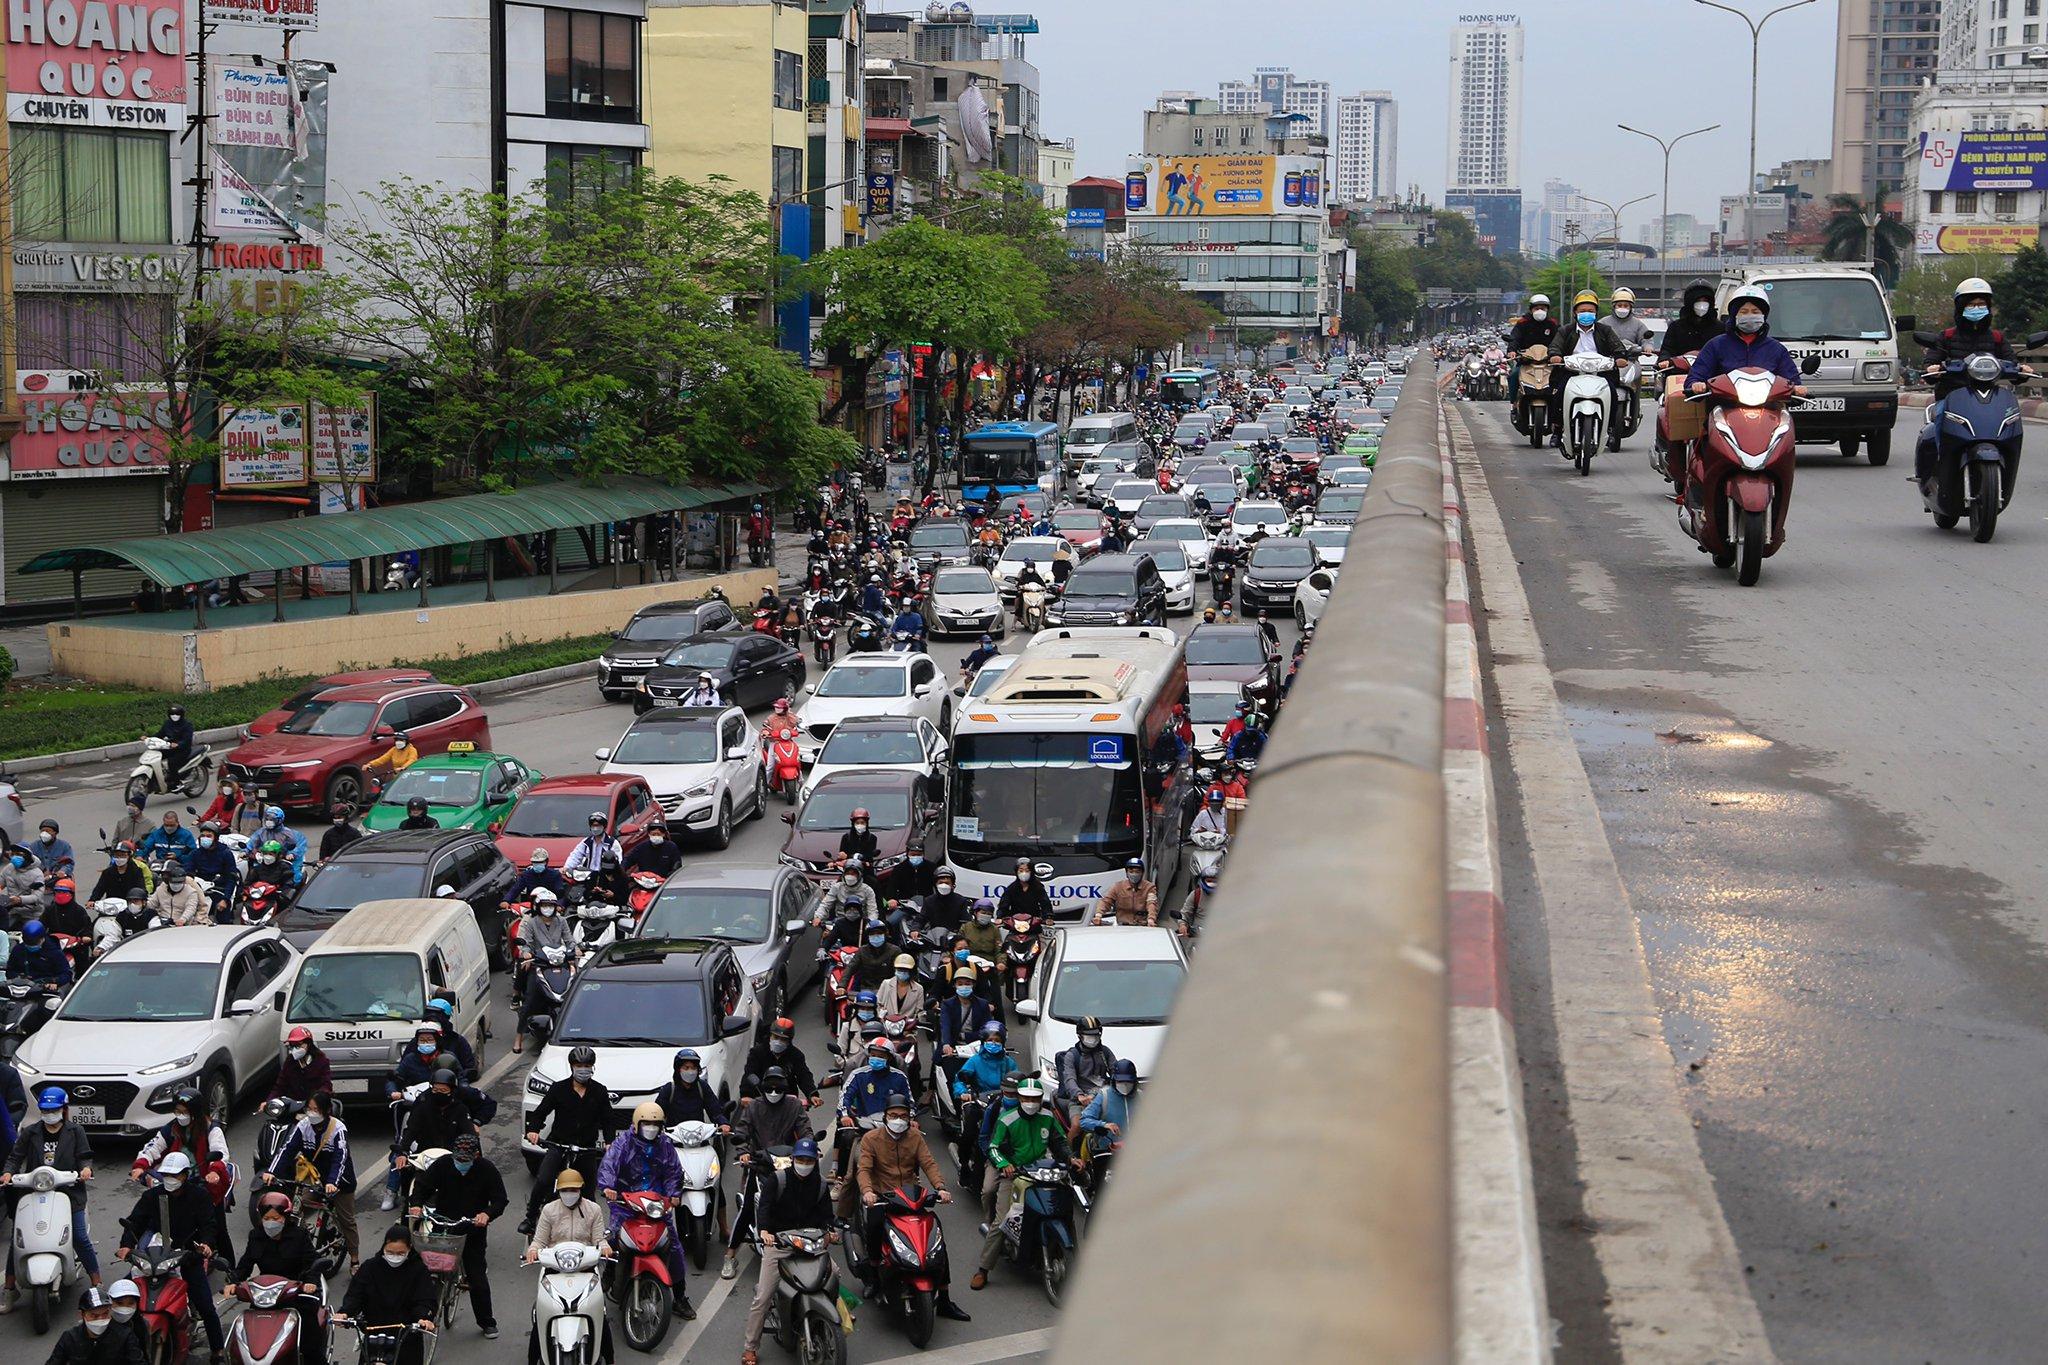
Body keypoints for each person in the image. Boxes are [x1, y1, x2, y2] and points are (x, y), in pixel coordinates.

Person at [851, 1097, 970, 1321]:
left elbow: (929, 1163)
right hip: (883, 1199)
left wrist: (941, 1188)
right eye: (894, 1116)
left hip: (911, 1198)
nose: (898, 1120)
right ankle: (875, 1278)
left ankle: (944, 1299)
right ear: (885, 1116)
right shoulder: (871, 1139)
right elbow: (864, 1169)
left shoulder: (915, 1137)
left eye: (903, 1116)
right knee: (875, 1230)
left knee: (936, 1241)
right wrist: (868, 1191)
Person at [1918, 275, 2034, 485]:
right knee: (1941, 416)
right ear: (1961, 307)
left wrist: (2022, 370)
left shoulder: (1997, 338)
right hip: (1953, 396)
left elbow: (2012, 363)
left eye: (1981, 304)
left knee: (2011, 421)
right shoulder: (1947, 337)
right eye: (1971, 304)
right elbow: (1931, 361)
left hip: (1989, 398)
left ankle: (2006, 460)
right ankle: (1940, 463)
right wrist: (1932, 368)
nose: (1976, 308)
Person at [970, 1079, 1079, 1290]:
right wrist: (1004, 1164)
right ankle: (983, 1269)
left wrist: (1071, 1158)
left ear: (1040, 1100)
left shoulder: (1047, 1117)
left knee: (1066, 1210)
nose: (1030, 1102)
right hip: (1016, 1174)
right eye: (1026, 1098)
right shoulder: (1007, 1119)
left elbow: (1060, 1143)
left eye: (1035, 1098)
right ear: (1020, 1099)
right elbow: (994, 1147)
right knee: (1003, 1220)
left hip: (1044, 1170)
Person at [115, 1151, 225, 1357]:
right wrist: (126, 1246)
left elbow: (209, 1225)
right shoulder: (152, 1196)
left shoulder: (199, 1196)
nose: (170, 1180)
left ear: (185, 1175)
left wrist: (206, 1245)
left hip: (187, 1258)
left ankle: (218, 1350)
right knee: (122, 1295)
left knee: (206, 1306)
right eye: (166, 1175)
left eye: (175, 1176)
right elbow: (135, 1222)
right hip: (156, 1257)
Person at [738, 1136, 837, 1363]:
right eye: (800, 1159)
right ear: (793, 1160)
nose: (805, 1163)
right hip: (780, 1245)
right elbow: (764, 1207)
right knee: (762, 1297)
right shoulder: (777, 1180)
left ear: (816, 1161)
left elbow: (826, 1216)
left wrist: (830, 1232)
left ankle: (837, 1316)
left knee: (835, 1275)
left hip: (810, 1246)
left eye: (809, 1160)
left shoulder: (821, 1185)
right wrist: (765, 1232)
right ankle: (750, 1347)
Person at [2, 1086, 98, 1308]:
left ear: (64, 1110)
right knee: (18, 1241)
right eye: (45, 1110)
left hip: (69, 1192)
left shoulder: (76, 1132)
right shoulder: (30, 1132)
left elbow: (85, 1157)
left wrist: (85, 1170)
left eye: (53, 1110)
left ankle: (97, 1281)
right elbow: (15, 1157)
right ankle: (9, 1289)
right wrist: (8, 1172)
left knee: (80, 1237)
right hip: (34, 1192)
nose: (49, 1114)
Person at [597, 1102, 694, 1320]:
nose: (651, 1127)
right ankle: (611, 1271)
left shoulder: (665, 1145)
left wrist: (674, 1194)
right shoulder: (623, 1143)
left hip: (656, 1207)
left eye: (655, 1124)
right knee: (612, 1239)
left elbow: (673, 1172)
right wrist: (608, 1187)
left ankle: (679, 1297)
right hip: (626, 1205)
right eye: (647, 1123)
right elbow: (609, 1165)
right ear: (637, 1124)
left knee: (675, 1248)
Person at [406, 1133, 505, 1339]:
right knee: (423, 1269)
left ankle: (487, 1321)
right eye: (457, 1159)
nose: (460, 1163)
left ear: (476, 1155)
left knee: (477, 1277)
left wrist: (486, 1214)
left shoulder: (487, 1170)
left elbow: (500, 1200)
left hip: (472, 1231)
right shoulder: (443, 1165)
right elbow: (423, 1185)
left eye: (465, 1160)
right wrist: (416, 1205)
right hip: (444, 1225)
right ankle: (420, 1315)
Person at [721, 1066, 809, 1280]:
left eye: (778, 1088)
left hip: (788, 1164)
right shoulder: (754, 1107)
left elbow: (805, 1128)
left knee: (804, 1203)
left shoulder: (794, 1105)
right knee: (748, 1208)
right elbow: (742, 1130)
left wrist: (809, 1146)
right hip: (760, 1164)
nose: (773, 1092)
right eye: (769, 1088)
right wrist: (743, 1152)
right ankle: (730, 1255)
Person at [259, 1090, 358, 1271]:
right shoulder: (303, 1125)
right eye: (309, 1109)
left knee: (347, 1220)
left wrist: (332, 1182)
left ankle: (354, 1259)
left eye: (316, 1110)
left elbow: (340, 1158)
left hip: (340, 1180)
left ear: (326, 1111)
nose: (311, 1113)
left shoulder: (338, 1129)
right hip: (317, 1178)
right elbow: (287, 1149)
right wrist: (272, 1172)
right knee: (300, 1204)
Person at [519, 1046, 612, 1236]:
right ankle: (530, 1217)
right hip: (559, 1145)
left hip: (586, 1148)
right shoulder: (559, 1089)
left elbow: (608, 1119)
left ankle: (593, 1231)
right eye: (579, 1065)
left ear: (592, 1067)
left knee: (588, 1192)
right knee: (544, 1180)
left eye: (587, 1065)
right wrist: (533, 1130)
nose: (583, 1069)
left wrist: (610, 1141)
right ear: (571, 1066)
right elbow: (540, 1112)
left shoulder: (599, 1091)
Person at [228, 1188, 325, 1365]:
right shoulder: (256, 1236)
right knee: (244, 1336)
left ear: (285, 1218)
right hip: (265, 1296)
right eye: (266, 1219)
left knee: (310, 1340)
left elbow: (312, 1262)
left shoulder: (299, 1236)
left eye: (275, 1218)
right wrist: (233, 1282)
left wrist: (310, 1282)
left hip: (296, 1295)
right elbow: (246, 1263)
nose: (270, 1223)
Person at [334, 1225, 437, 1365]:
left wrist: (424, 1318)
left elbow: (425, 1299)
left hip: (406, 1336)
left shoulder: (418, 1270)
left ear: (409, 1249)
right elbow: (355, 1294)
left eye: (400, 1253)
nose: (395, 1257)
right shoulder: (370, 1267)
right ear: (383, 1248)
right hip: (374, 1333)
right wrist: (345, 1312)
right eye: (390, 1252)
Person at [1688, 287, 1808, 397]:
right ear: (1734, 315)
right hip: (1725, 408)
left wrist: (1797, 389)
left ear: (1763, 316)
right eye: (1744, 312)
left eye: (1755, 312)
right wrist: (1696, 384)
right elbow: (1696, 375)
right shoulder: (1716, 345)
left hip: (1769, 409)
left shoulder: (1776, 349)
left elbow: (1791, 380)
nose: (1750, 316)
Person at [1546, 290, 1628, 447]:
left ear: (1596, 312)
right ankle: (1557, 430)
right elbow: (1555, 347)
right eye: (1582, 311)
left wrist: (1620, 358)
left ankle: (1610, 429)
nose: (1586, 314)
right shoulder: (1566, 331)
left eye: (1590, 311)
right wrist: (1555, 355)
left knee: (1612, 394)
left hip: (1601, 373)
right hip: (1571, 373)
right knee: (1558, 394)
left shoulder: (1605, 331)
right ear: (1575, 312)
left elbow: (1618, 348)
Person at [41, 1287, 142, 1365]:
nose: (100, 1319)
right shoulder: (70, 1338)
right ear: (82, 1314)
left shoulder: (125, 1336)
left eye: (105, 1314)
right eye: (94, 1315)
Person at [741, 1018, 821, 1108]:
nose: (779, 1041)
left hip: (788, 1104)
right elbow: (749, 1073)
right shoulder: (757, 1053)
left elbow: (804, 1075)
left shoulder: (796, 1055)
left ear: (789, 1041)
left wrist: (812, 1094)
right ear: (770, 1035)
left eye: (783, 1039)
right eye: (776, 1037)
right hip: (761, 1101)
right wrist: (746, 1095)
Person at [1052, 1016, 1120, 1116]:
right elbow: (1069, 1078)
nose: (1093, 1040)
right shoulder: (1072, 1056)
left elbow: (1116, 1071)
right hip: (1080, 1100)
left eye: (1095, 1036)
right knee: (1077, 1125)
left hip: (1104, 1095)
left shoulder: (1105, 1052)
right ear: (1080, 1036)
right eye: (1089, 1037)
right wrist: (1079, 1095)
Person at [1504, 295, 1559, 413]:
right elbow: (1515, 338)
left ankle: (1559, 408)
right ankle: (1514, 403)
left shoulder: (1552, 324)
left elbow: (1560, 340)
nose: (1540, 311)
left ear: (1547, 310)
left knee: (1561, 378)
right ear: (1531, 309)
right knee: (1514, 375)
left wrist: (1559, 354)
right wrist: (1512, 351)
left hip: (1548, 363)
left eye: (1543, 308)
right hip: (1526, 362)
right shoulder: (1523, 323)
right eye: (1536, 308)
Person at [1078, 1059, 1140, 1162]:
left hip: (1138, 1152)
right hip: (1107, 1153)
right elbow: (1084, 1121)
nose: (1125, 1085)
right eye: (1121, 1081)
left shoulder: (1142, 1097)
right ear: (1114, 1080)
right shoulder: (1104, 1096)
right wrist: (1104, 1125)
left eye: (1128, 1082)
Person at [654, 1048, 730, 1132]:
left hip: (698, 1137)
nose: (690, 1071)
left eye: (693, 1068)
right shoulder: (669, 1089)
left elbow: (715, 1110)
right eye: (686, 1068)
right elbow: (656, 1114)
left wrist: (723, 1123)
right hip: (674, 1140)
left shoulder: (702, 1087)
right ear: (678, 1069)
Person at [1658, 279, 1723, 363]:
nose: (1702, 305)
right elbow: (1667, 350)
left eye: (1705, 301)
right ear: (1689, 302)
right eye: (1698, 301)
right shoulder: (1676, 327)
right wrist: (1665, 360)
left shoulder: (1720, 328)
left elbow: (1726, 353)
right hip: (1679, 373)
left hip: (1711, 374)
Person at [1092, 857, 1160, 928]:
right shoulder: (1118, 886)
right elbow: (1106, 901)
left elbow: (1151, 903)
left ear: (1142, 873)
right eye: (1131, 871)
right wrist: (1098, 915)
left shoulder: (1149, 887)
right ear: (1127, 873)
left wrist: (1151, 919)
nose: (1134, 874)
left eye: (1137, 872)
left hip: (1142, 926)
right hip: (1122, 927)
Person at [187, 824, 239, 911]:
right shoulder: (195, 853)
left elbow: (231, 878)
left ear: (216, 838)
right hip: (201, 890)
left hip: (220, 889)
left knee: (222, 918)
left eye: (209, 836)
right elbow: (188, 873)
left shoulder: (226, 853)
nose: (205, 838)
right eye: (203, 836)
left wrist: (225, 899)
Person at [7, 919, 72, 986]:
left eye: (35, 943)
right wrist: (18, 977)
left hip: (45, 987)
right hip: (22, 986)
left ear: (42, 939)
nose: (31, 946)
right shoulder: (18, 949)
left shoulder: (54, 952)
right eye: (28, 943)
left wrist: (55, 982)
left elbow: (66, 974)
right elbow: (10, 970)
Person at [256, 807, 306, 883]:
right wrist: (248, 851)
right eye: (268, 819)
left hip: (286, 858)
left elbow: (300, 845)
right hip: (271, 858)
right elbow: (252, 842)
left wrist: (292, 854)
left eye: (272, 819)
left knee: (293, 877)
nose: (269, 821)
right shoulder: (262, 832)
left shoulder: (289, 833)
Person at [1600, 286, 1655, 355]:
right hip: (1607, 360)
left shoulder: (1638, 324)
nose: (1622, 308)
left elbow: (1646, 339)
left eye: (1626, 306)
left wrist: (1648, 347)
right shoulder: (1603, 323)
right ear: (1614, 306)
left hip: (1631, 361)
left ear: (1630, 307)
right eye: (1619, 305)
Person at [921, 868, 972, 936]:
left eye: (947, 883)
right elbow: (921, 918)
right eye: (941, 883)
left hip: (954, 937)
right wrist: (915, 930)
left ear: (952, 885)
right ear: (935, 885)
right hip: (933, 937)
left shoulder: (961, 901)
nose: (944, 885)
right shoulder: (929, 901)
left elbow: (966, 921)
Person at [155, 704, 195, 786]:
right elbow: (160, 734)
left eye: (177, 714)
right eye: (172, 714)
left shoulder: (187, 725)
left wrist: (178, 744)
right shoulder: (167, 723)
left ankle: (177, 783)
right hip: (169, 747)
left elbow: (187, 740)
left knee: (172, 762)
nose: (174, 716)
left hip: (183, 750)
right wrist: (148, 738)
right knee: (155, 756)